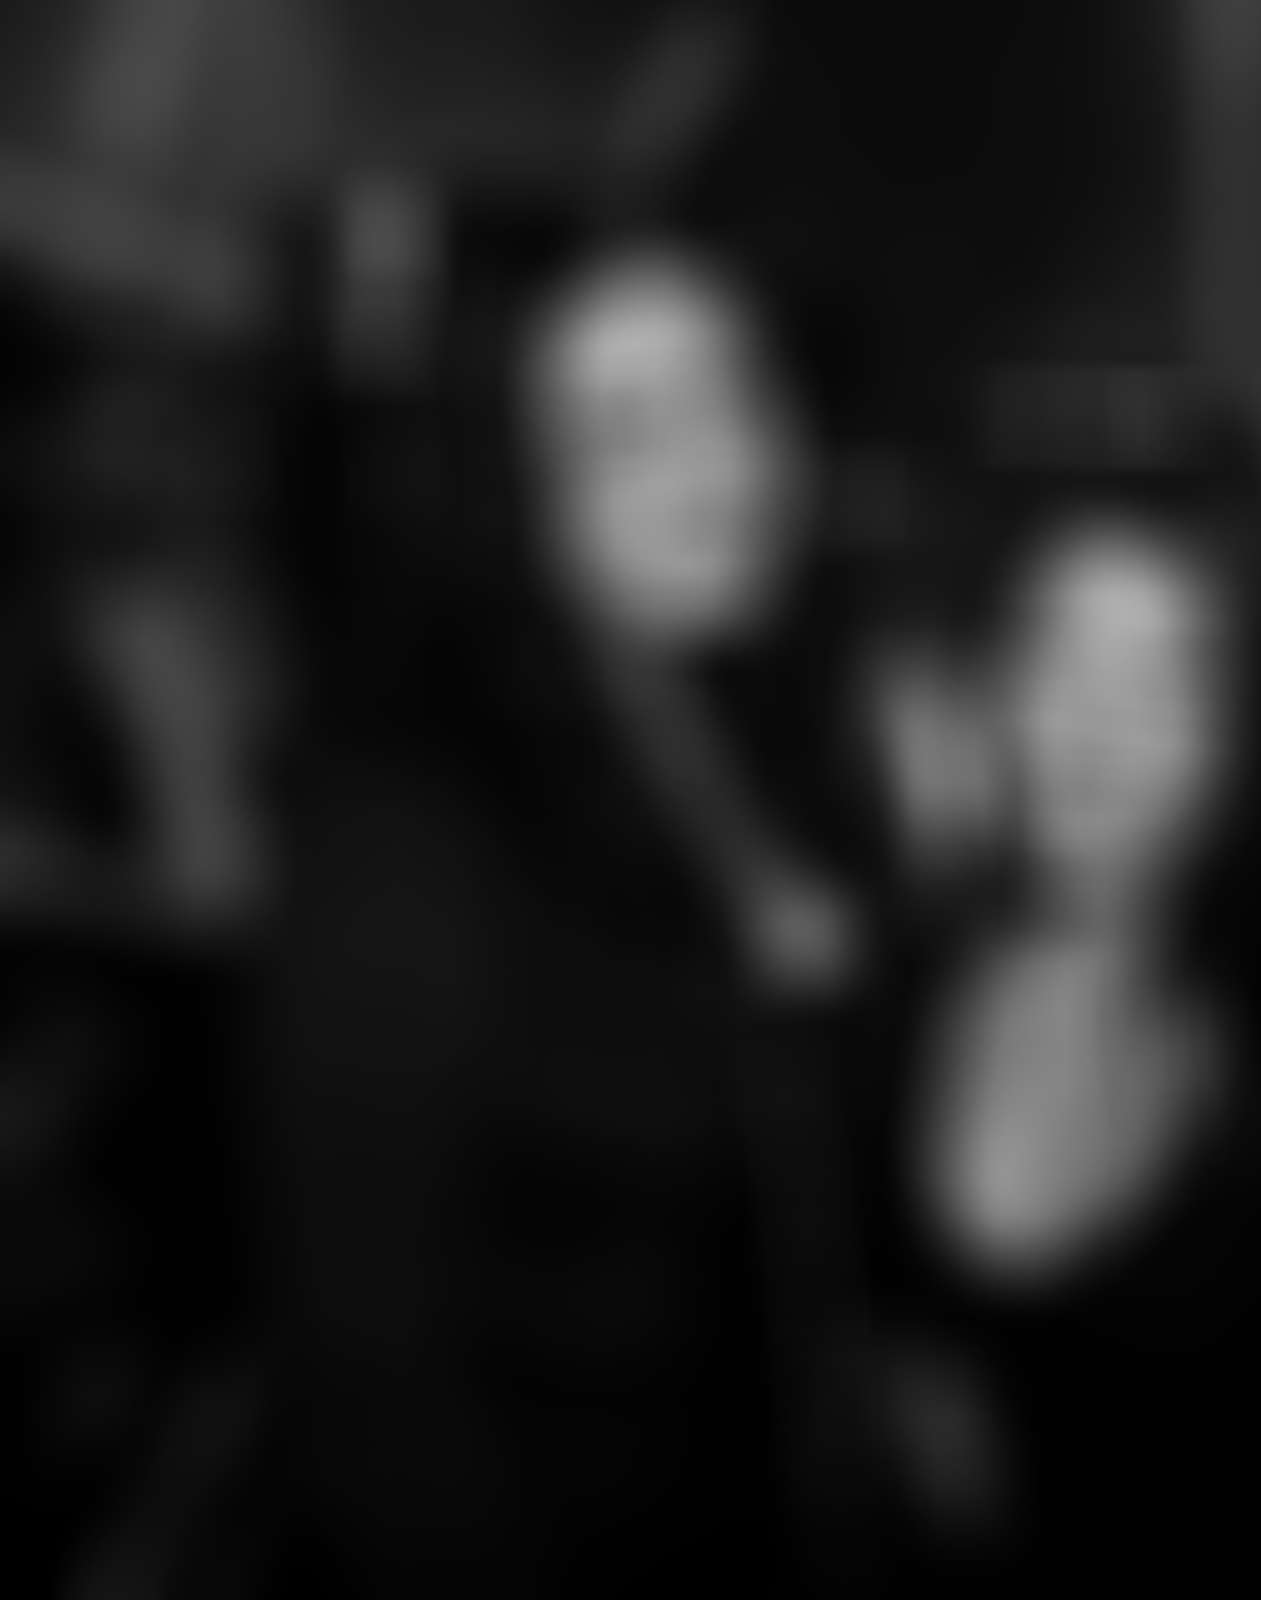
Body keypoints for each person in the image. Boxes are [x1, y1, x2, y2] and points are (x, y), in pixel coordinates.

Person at [259, 227, 897, 1598]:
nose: (719, 462)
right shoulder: (409, 812)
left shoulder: (759, 717)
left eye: (734, 389)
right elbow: (369, 1375)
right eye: (627, 430)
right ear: (521, 488)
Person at [862, 438, 1261, 1593]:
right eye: (1056, 652)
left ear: (1246, 735)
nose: (1091, 723)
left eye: (1162, 678)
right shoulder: (902, 986)